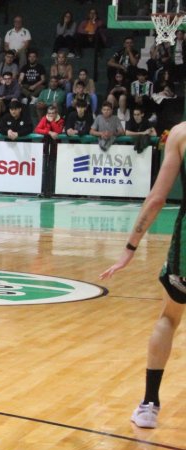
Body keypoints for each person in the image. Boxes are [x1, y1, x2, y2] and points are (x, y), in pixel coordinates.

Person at [99, 121, 186, 429]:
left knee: (169, 318)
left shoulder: (180, 133)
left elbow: (157, 199)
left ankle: (149, 405)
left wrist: (129, 249)